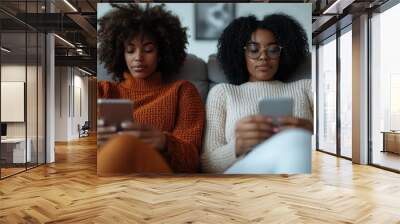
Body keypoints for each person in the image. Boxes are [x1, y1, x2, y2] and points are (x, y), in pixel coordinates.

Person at [97, 4, 205, 175]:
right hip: (111, 178)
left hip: (159, 181)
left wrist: (165, 142)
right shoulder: (102, 90)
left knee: (125, 142)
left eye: (148, 49)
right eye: (130, 50)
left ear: (161, 53)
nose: (138, 57)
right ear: (120, 54)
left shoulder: (182, 91)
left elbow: (192, 162)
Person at [201, 14, 313, 173]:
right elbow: (206, 166)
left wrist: (311, 133)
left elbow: (339, 138)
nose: (263, 57)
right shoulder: (223, 93)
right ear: (241, 54)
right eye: (254, 50)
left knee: (296, 139)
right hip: (244, 175)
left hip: (295, 169)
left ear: (283, 54)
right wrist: (236, 147)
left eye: (273, 50)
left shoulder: (306, 87)